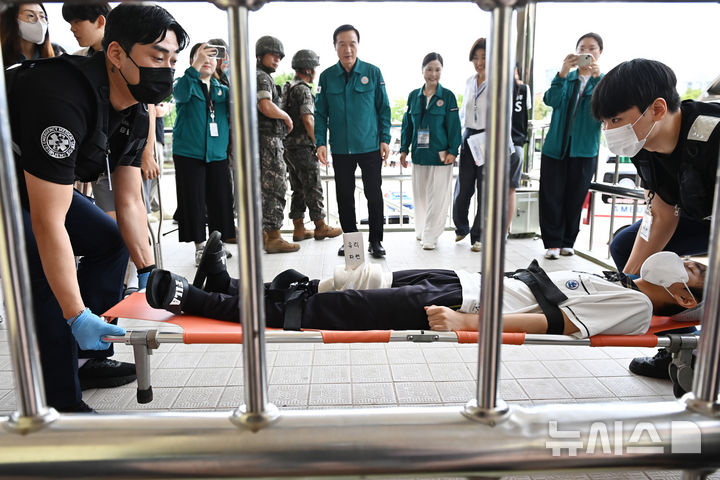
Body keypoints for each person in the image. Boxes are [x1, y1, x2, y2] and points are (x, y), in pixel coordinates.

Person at [6, 4, 188, 412]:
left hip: (35, 182)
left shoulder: (135, 112)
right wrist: (75, 312)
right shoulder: (61, 97)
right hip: (8, 185)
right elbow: (48, 220)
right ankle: (59, 404)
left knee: (111, 241)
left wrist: (147, 270)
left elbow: (128, 200)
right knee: (48, 279)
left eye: (172, 60)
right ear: (117, 54)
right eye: (157, 57)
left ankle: (84, 357)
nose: (167, 69)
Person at [146, 233, 704, 338]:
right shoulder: (621, 280)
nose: (691, 266)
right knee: (345, 280)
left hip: (464, 301)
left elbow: (559, 323)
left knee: (328, 308)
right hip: (463, 280)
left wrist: (468, 324)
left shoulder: (633, 305)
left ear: (681, 293)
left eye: (697, 272)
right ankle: (231, 283)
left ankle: (198, 300)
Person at [591, 58, 720, 379]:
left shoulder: (713, 136)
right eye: (605, 122)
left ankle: (711, 356)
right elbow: (661, 214)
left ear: (657, 109)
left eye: (616, 119)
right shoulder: (644, 143)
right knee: (625, 246)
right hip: (703, 214)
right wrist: (626, 284)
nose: (609, 130)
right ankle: (682, 345)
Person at [314, 24, 392, 258]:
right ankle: (351, 242)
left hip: (369, 146)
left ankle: (375, 241)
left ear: (358, 45)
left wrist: (385, 139)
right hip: (341, 148)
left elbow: (383, 108)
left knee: (374, 194)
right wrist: (321, 142)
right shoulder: (327, 77)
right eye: (342, 44)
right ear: (335, 47)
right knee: (344, 197)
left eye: (352, 43)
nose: (348, 49)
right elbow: (320, 113)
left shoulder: (373, 72)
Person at [539, 33, 604, 260]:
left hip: (585, 149)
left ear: (599, 53)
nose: (587, 52)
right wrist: (563, 72)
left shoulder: (605, 82)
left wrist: (597, 80)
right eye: (582, 48)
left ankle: (568, 241)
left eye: (592, 48)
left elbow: (604, 110)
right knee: (551, 195)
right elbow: (550, 99)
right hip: (556, 148)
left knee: (576, 196)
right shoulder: (566, 77)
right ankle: (552, 242)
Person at [172, 42, 235, 266]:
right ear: (192, 61)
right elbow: (178, 95)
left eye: (212, 57)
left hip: (217, 153)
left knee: (220, 199)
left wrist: (228, 70)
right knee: (194, 200)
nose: (208, 60)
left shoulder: (222, 89)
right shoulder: (184, 83)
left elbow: (239, 103)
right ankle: (200, 247)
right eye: (201, 56)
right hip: (189, 152)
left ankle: (216, 243)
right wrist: (195, 68)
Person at [399, 52, 461, 250]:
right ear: (422, 71)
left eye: (437, 70)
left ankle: (431, 235)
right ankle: (422, 229)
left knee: (439, 197)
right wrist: (403, 150)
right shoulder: (413, 96)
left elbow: (454, 127)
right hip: (419, 155)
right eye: (429, 69)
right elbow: (406, 126)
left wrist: (453, 150)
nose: (433, 74)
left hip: (441, 155)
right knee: (420, 196)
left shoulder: (448, 96)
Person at [281, 49, 343, 243]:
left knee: (298, 187)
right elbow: (308, 119)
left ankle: (299, 228)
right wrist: (318, 143)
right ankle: (320, 226)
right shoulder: (303, 89)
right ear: (308, 69)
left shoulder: (288, 87)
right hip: (303, 147)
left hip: (289, 147)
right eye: (314, 67)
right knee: (313, 186)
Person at [255, 35, 298, 254]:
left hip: (264, 141)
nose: (277, 60)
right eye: (273, 55)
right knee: (276, 187)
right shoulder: (262, 77)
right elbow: (265, 105)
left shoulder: (260, 76)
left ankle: (265, 234)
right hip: (268, 140)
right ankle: (273, 236)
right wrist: (286, 117)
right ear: (261, 55)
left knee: (265, 188)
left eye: (280, 57)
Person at [453, 38, 492, 253]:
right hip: (469, 136)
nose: (479, 62)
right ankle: (461, 226)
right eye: (476, 58)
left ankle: (480, 236)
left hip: (489, 136)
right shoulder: (469, 81)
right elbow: (464, 111)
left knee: (485, 189)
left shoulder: (498, 82)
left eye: (484, 57)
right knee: (463, 186)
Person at [509, 66, 532, 235]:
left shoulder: (494, 87)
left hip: (502, 144)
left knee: (496, 189)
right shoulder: (524, 89)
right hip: (516, 143)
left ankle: (496, 231)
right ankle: (503, 231)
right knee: (510, 189)